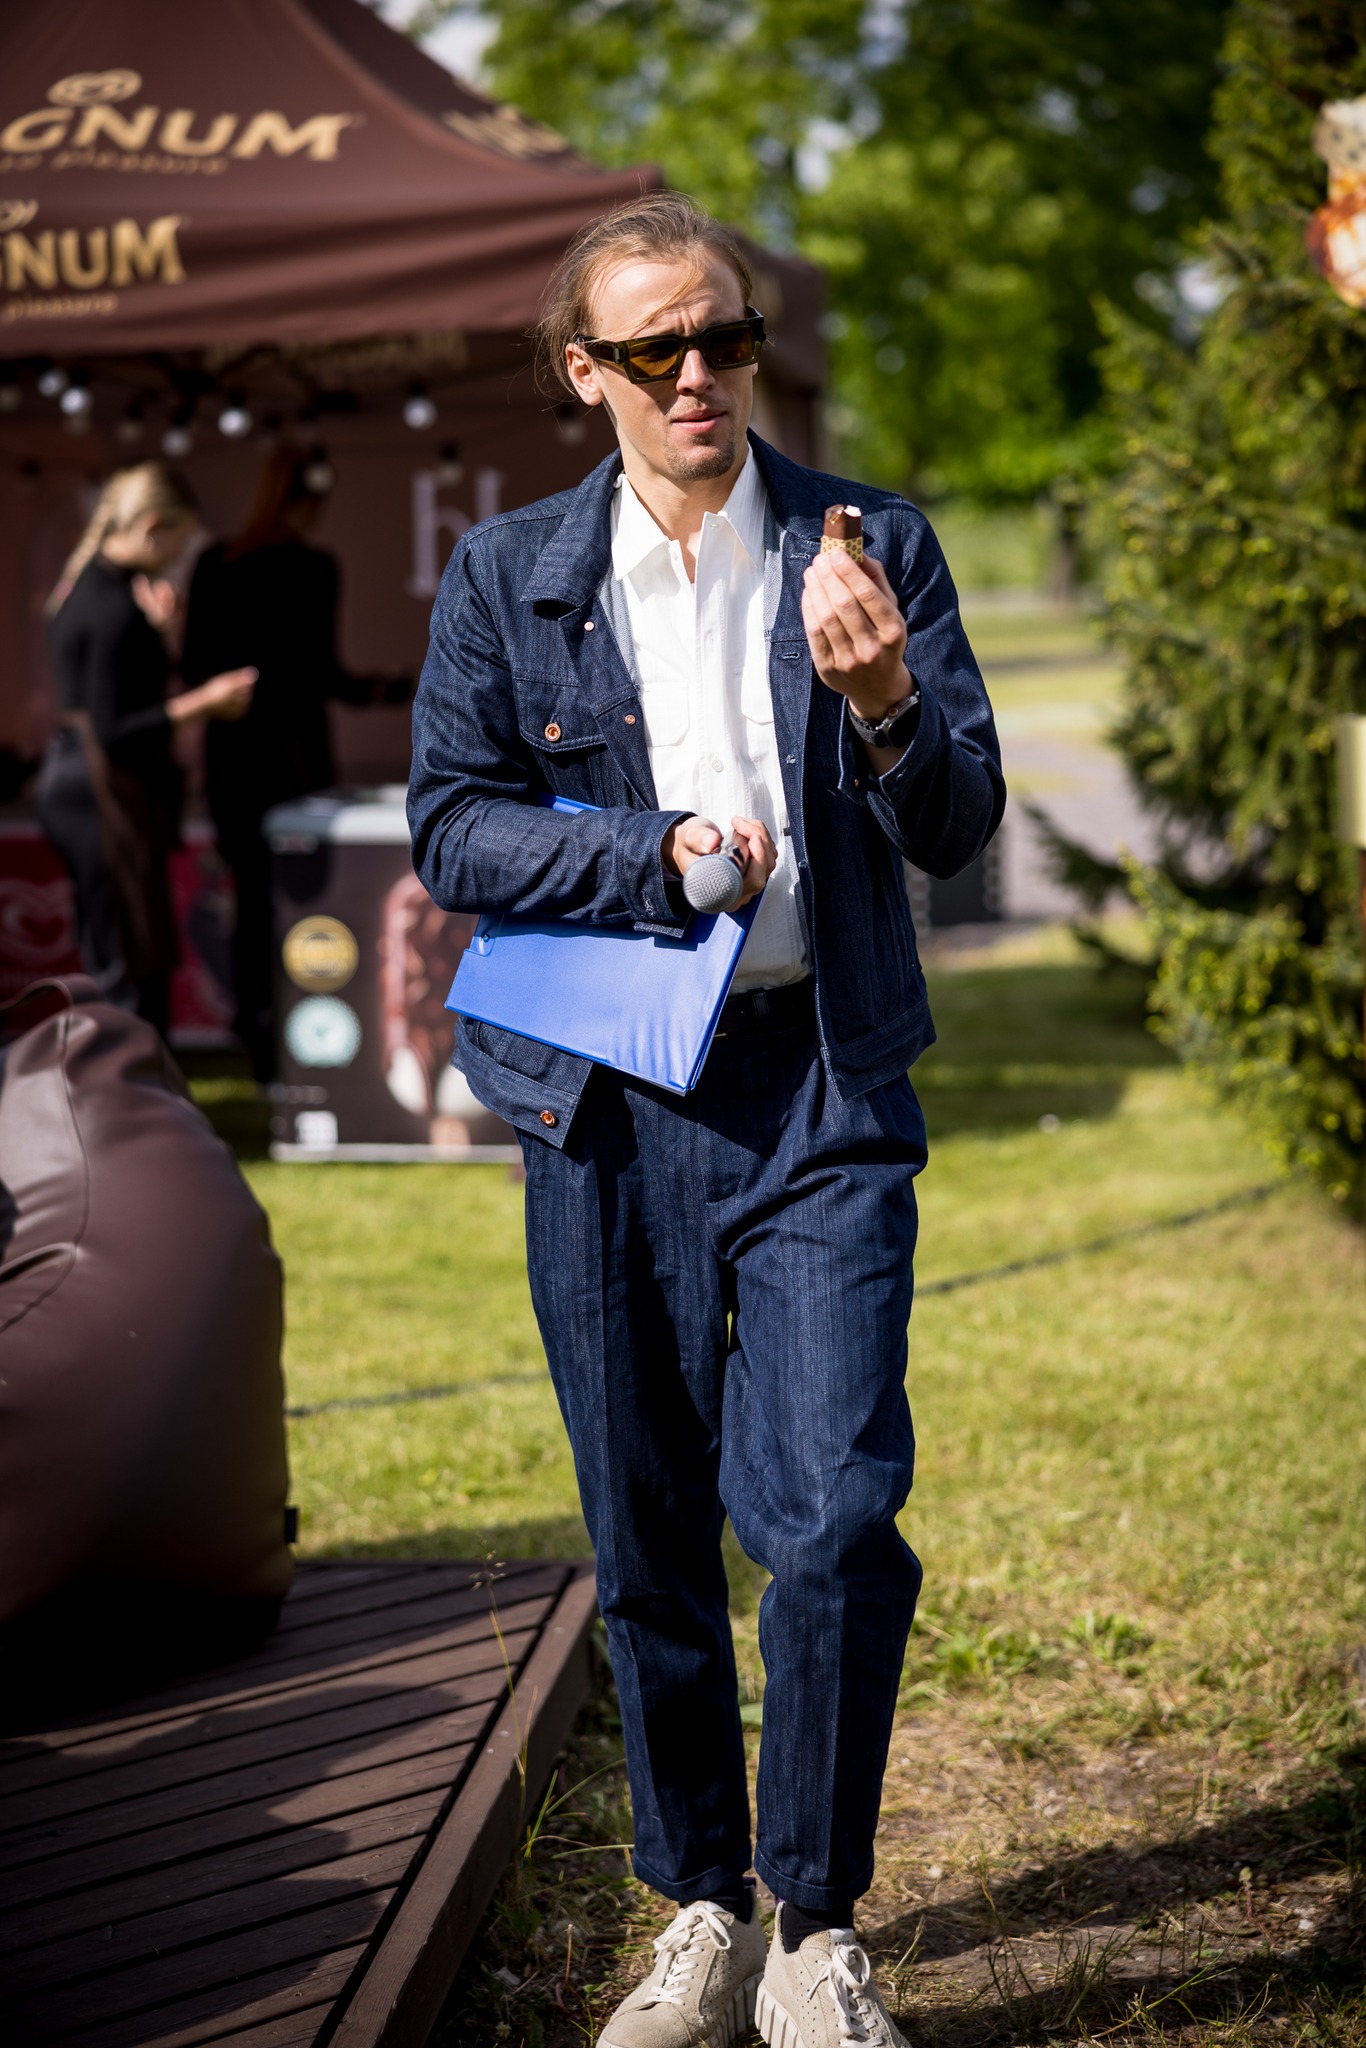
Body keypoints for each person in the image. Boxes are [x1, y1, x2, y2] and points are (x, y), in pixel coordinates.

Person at [408, 193, 1005, 2048]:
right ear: (581, 370)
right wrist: (645, 855)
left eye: (723, 337)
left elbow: (959, 821)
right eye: (653, 346)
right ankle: (702, 1907)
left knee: (829, 1516)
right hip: (604, 1097)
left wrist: (885, 699)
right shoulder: (510, 574)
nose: (695, 374)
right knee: (647, 1528)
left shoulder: (869, 543)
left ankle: (814, 1927)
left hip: (818, 1076)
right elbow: (451, 828)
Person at [181, 444, 396, 1079]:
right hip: (293, 764)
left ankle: (258, 1033)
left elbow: (194, 668)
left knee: (252, 902)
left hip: (233, 760)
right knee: (308, 902)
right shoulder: (313, 568)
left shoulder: (216, 564)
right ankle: (308, 1034)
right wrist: (386, 688)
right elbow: (325, 674)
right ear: (309, 500)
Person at [38, 465, 255, 1035]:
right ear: (153, 526)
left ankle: (135, 1077)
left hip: (84, 782)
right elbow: (114, 729)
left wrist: (160, 634)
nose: (179, 557)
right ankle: (128, 1081)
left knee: (126, 949)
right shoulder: (109, 605)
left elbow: (115, 691)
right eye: (179, 542)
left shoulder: (90, 586)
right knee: (128, 960)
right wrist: (204, 702)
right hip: (99, 790)